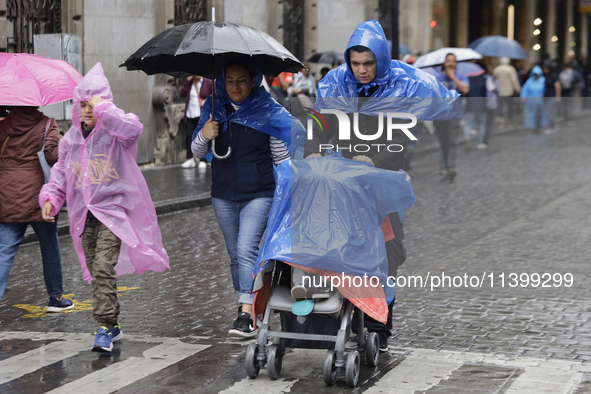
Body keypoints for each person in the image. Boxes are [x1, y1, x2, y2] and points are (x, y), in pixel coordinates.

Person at [304, 20, 457, 351]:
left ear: (381, 61)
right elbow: (319, 120)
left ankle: (379, 325)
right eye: (355, 63)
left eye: (368, 63)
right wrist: (313, 148)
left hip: (384, 186)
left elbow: (402, 138)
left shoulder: (400, 88)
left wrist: (376, 161)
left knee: (387, 254)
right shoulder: (336, 85)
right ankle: (344, 312)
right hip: (345, 183)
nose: (361, 70)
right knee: (343, 249)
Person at [39, 63, 170, 352]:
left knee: (102, 267)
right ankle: (112, 325)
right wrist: (50, 198)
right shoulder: (70, 139)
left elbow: (133, 128)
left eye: (93, 104)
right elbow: (61, 174)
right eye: (83, 104)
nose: (88, 110)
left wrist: (104, 110)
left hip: (113, 213)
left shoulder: (116, 133)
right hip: (84, 216)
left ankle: (106, 326)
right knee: (94, 269)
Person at [191, 59, 299, 338]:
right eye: (230, 80)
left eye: (241, 80)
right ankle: (248, 306)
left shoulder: (266, 112)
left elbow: (281, 157)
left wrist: (291, 187)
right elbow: (197, 152)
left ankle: (245, 314)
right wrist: (205, 134)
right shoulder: (214, 109)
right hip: (223, 194)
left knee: (246, 249)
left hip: (259, 193)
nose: (235, 86)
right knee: (235, 255)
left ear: (254, 82)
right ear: (222, 83)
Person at [0, 106, 73, 311]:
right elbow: (52, 156)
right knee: (50, 246)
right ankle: (56, 299)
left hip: (7, 195)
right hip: (41, 198)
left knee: (3, 252)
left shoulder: (4, 125)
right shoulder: (47, 124)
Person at [433, 53, 470, 182]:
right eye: (448, 61)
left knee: (452, 142)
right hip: (440, 116)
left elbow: (465, 90)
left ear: (456, 64)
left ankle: (451, 168)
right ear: (444, 63)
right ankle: (444, 166)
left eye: (453, 61)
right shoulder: (437, 78)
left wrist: (453, 77)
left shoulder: (461, 76)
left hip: (455, 115)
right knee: (444, 143)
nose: (451, 64)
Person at [179, 75, 212, 168]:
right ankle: (190, 158)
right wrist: (186, 82)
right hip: (190, 113)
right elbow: (182, 93)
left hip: (202, 114)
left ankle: (203, 159)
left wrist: (206, 101)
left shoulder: (207, 82)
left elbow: (215, 94)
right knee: (189, 135)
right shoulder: (189, 83)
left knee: (202, 135)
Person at [493, 57, 521, 122]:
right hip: (509, 91)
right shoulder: (511, 69)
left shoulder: (496, 69)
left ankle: (501, 118)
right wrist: (518, 89)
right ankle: (509, 118)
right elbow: (514, 80)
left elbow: (494, 80)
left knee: (500, 105)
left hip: (499, 91)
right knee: (509, 106)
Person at [520, 65, 547, 132]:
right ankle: (531, 126)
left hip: (540, 101)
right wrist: (523, 97)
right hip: (530, 101)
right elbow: (525, 89)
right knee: (530, 114)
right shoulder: (530, 81)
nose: (536, 76)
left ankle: (540, 125)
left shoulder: (543, 80)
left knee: (540, 113)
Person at [542, 62, 561, 134]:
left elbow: (557, 86)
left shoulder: (554, 76)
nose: (544, 69)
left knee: (548, 112)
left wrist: (558, 96)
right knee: (547, 112)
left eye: (546, 68)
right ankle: (551, 125)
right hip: (546, 97)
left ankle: (552, 126)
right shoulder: (545, 76)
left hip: (552, 96)